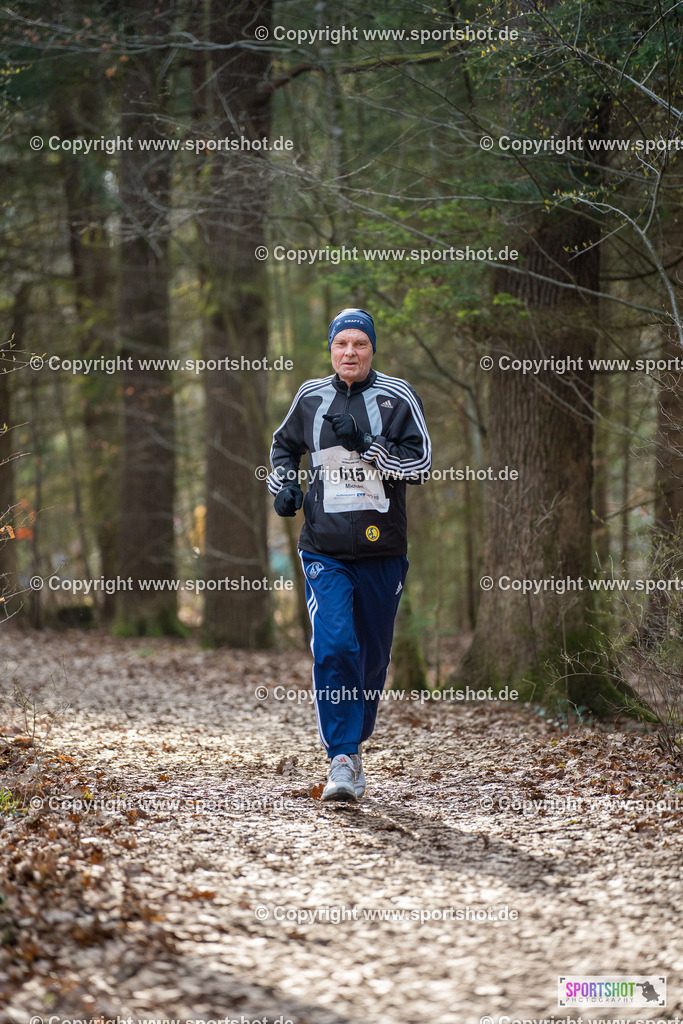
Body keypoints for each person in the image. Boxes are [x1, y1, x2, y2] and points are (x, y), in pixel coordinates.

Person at [267, 308, 431, 803]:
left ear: (372, 349)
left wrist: (368, 445)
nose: (350, 352)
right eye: (342, 344)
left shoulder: (397, 397)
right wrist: (285, 488)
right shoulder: (310, 397)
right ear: (331, 349)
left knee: (373, 656)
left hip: (384, 551)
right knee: (335, 645)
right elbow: (283, 447)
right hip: (325, 550)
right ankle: (341, 756)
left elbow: (420, 464)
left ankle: (354, 742)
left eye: (359, 343)